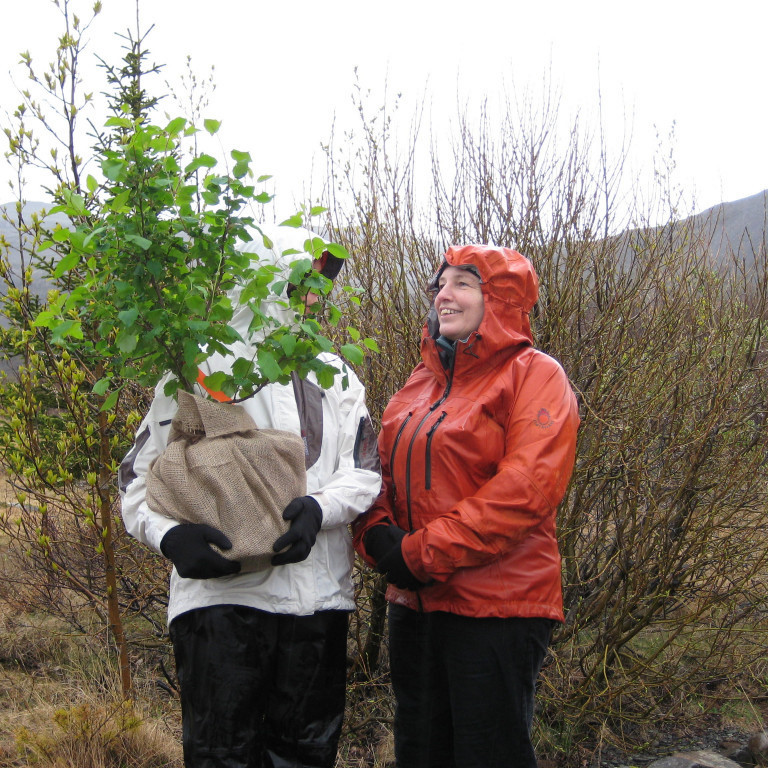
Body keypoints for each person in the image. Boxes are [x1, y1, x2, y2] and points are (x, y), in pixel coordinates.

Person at [119, 226, 382, 768]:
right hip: (222, 605)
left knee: (307, 754)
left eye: (323, 283)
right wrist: (171, 538)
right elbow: (136, 482)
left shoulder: (336, 374)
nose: (315, 295)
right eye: (306, 280)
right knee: (222, 757)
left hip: (319, 603)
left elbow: (364, 472)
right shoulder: (195, 371)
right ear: (270, 279)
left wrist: (318, 510)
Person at [353, 244, 579, 768]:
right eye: (441, 284)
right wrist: (375, 532)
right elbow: (375, 468)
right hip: (414, 604)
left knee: (487, 754)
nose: (443, 294)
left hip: (496, 606)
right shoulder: (420, 381)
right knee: (420, 749)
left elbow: (525, 490)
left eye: (462, 284)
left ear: (498, 299)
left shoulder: (534, 374)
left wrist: (419, 554)